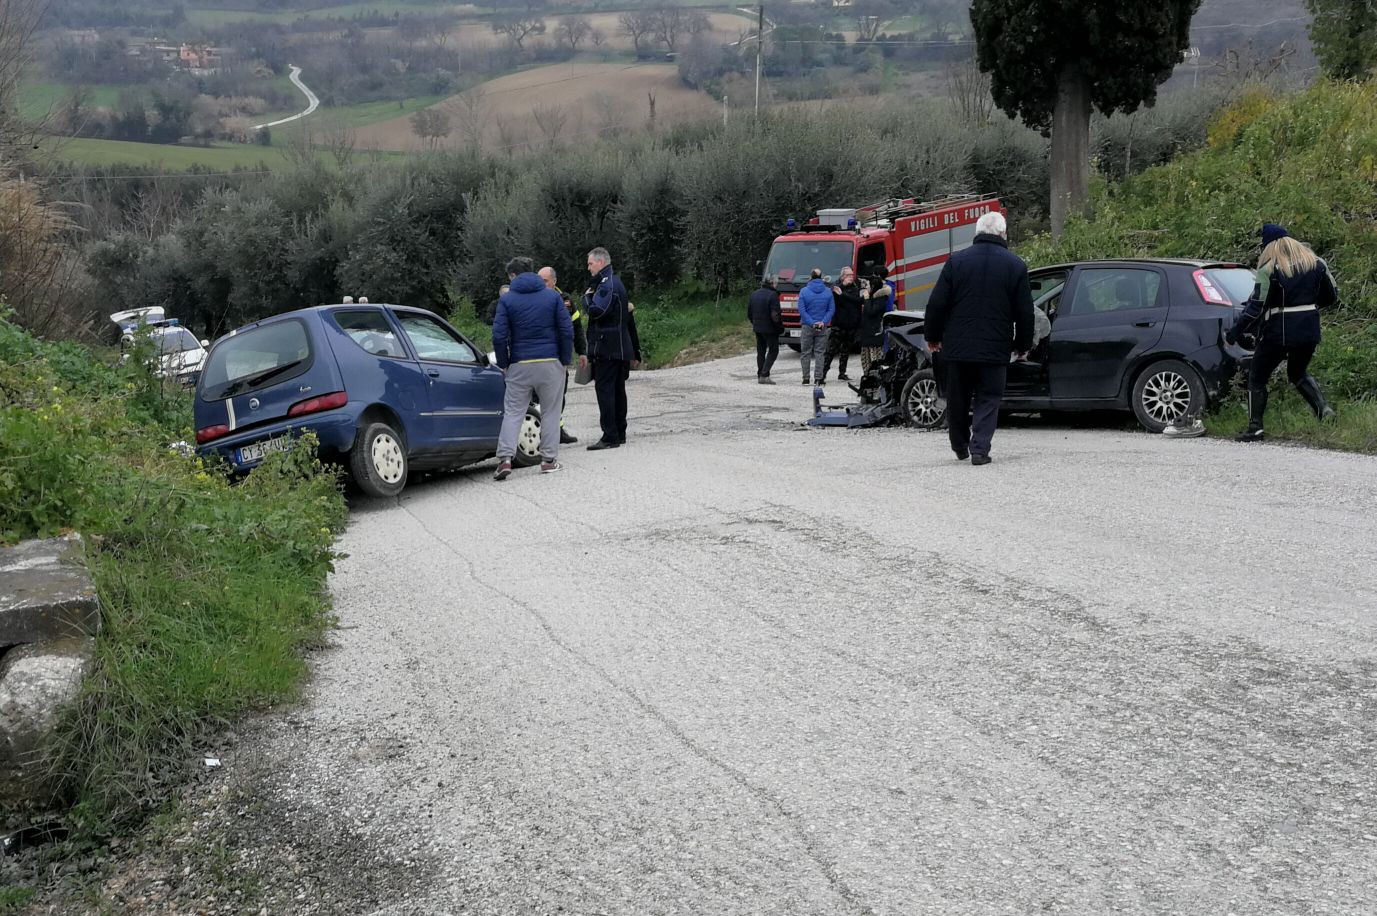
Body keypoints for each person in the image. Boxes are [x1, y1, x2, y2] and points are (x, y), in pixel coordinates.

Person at [923, 211, 1034, 465]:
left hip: (958, 346)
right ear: (1003, 234)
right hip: (995, 347)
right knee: (988, 397)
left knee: (958, 397)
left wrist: (933, 335)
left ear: (977, 232)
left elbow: (937, 303)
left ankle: (959, 445)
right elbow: (1025, 312)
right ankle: (980, 449)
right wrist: (1023, 345)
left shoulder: (956, 262)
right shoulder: (1015, 265)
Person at [1226, 224, 1339, 442]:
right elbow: (1331, 295)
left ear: (1269, 246)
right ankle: (1324, 410)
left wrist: (1235, 332)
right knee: (1298, 373)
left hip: (1277, 333)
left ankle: (1255, 428)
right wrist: (1307, 310)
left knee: (1257, 377)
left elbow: (1255, 307)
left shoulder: (1269, 269)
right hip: (1308, 330)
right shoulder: (1316, 263)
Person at [491, 256, 574, 479]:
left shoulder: (507, 301)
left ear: (512, 276)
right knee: (550, 412)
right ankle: (548, 461)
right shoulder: (552, 296)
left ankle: (505, 459)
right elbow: (566, 330)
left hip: (520, 363)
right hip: (550, 362)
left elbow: (499, 336)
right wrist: (565, 360)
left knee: (513, 412)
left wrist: (504, 364)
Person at [583, 246, 634, 450]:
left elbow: (597, 310)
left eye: (590, 263)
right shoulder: (615, 281)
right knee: (617, 390)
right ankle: (619, 432)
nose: (588, 268)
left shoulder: (606, 284)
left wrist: (586, 298)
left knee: (606, 390)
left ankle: (610, 435)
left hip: (607, 347)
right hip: (619, 347)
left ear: (601, 262)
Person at [539, 265, 586, 444]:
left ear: (554, 281)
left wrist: (582, 351)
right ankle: (543, 431)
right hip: (541, 355)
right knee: (539, 395)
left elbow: (577, 328)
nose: (542, 285)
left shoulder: (566, 300)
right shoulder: (533, 299)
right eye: (539, 281)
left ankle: (557, 429)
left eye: (545, 281)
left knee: (560, 393)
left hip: (559, 357)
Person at [822, 267, 866, 382]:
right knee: (830, 350)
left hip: (851, 325)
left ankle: (842, 372)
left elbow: (858, 300)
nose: (851, 277)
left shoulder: (855, 288)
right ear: (842, 277)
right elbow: (831, 294)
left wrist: (843, 295)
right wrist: (841, 288)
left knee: (845, 350)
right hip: (839, 324)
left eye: (852, 275)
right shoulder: (837, 287)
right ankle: (822, 373)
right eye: (848, 275)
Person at [796, 268, 835, 385]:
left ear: (811, 277)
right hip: (822, 326)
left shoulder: (804, 291)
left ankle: (806, 378)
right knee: (820, 352)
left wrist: (811, 322)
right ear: (821, 277)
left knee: (805, 352)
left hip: (807, 326)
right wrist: (823, 321)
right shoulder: (828, 291)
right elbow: (831, 309)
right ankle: (818, 378)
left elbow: (802, 310)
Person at [747, 275, 784, 383]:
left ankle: (760, 374)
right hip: (770, 329)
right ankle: (765, 374)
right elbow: (775, 315)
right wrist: (780, 328)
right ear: (772, 283)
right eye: (776, 283)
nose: (777, 286)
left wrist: (754, 323)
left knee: (761, 351)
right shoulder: (773, 295)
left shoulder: (754, 294)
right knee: (773, 350)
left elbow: (749, 312)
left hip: (758, 328)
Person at [858, 274, 893, 373]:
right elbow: (856, 301)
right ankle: (867, 378)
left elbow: (871, 312)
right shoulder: (871, 297)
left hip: (874, 334)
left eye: (868, 285)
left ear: (873, 286)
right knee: (865, 359)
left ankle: (876, 379)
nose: (866, 287)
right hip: (866, 333)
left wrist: (867, 299)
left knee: (875, 360)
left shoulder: (880, 298)